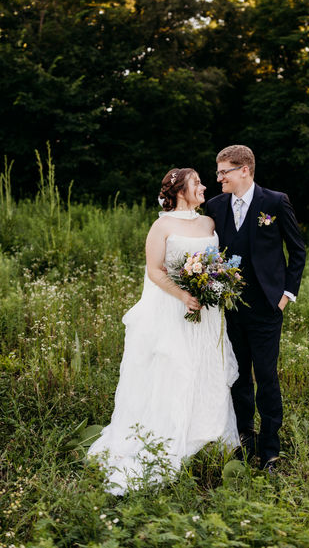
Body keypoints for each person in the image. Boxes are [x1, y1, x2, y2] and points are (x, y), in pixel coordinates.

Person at [88, 168, 239, 495]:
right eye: (197, 183)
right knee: (176, 368)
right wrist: (185, 294)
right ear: (181, 190)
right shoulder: (162, 225)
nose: (204, 187)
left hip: (207, 311)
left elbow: (216, 262)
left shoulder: (209, 223)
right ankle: (167, 436)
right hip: (173, 308)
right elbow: (155, 270)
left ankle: (205, 431)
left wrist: (215, 284)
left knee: (205, 367)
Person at [205, 145, 306, 471]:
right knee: (238, 377)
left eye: (224, 172)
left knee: (266, 375)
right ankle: (244, 438)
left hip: (266, 306)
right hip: (230, 307)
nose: (219, 178)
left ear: (244, 170)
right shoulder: (216, 206)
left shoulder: (274, 202)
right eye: (218, 172)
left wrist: (286, 294)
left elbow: (297, 249)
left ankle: (271, 449)